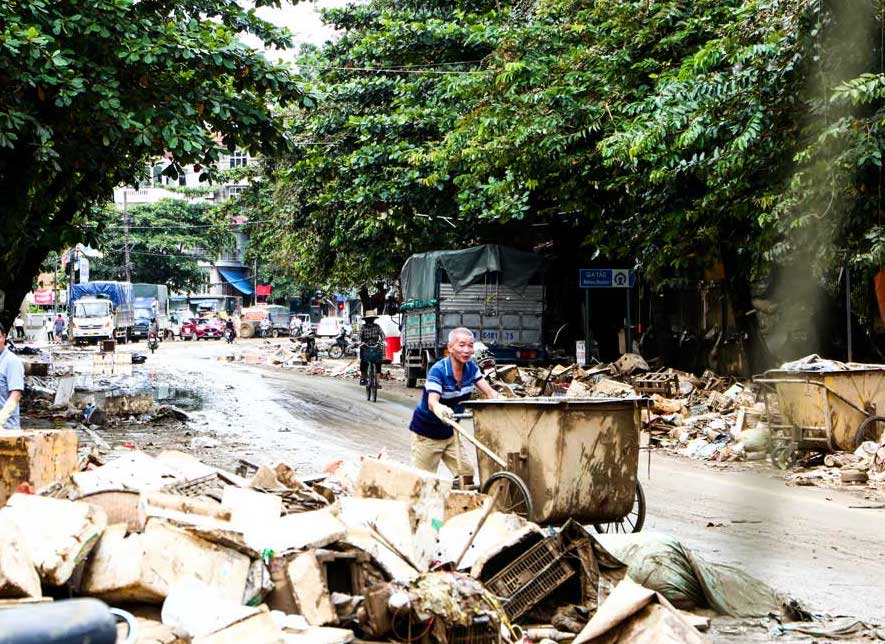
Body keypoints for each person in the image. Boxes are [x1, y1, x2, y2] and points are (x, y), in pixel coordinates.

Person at [408, 327, 499, 484]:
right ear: (450, 348)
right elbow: (432, 402)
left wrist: (505, 400)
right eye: (461, 345)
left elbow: (490, 392)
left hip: (450, 434)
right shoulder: (438, 371)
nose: (466, 350)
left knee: (467, 476)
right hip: (427, 435)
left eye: (470, 345)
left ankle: (453, 501)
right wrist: (440, 409)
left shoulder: (471, 368)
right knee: (422, 483)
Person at [0, 323, 25, 429]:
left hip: (7, 430)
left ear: (4, 337)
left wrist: (1, 419)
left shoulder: (11, 362)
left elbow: (16, 394)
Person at [359, 311, 385, 386]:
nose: (370, 320)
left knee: (378, 362)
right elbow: (359, 336)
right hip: (365, 345)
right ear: (366, 320)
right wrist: (361, 342)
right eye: (369, 319)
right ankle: (363, 377)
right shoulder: (363, 327)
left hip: (375, 346)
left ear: (373, 319)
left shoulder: (377, 326)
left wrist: (382, 341)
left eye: (371, 319)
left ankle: (377, 381)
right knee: (363, 361)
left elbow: (382, 335)